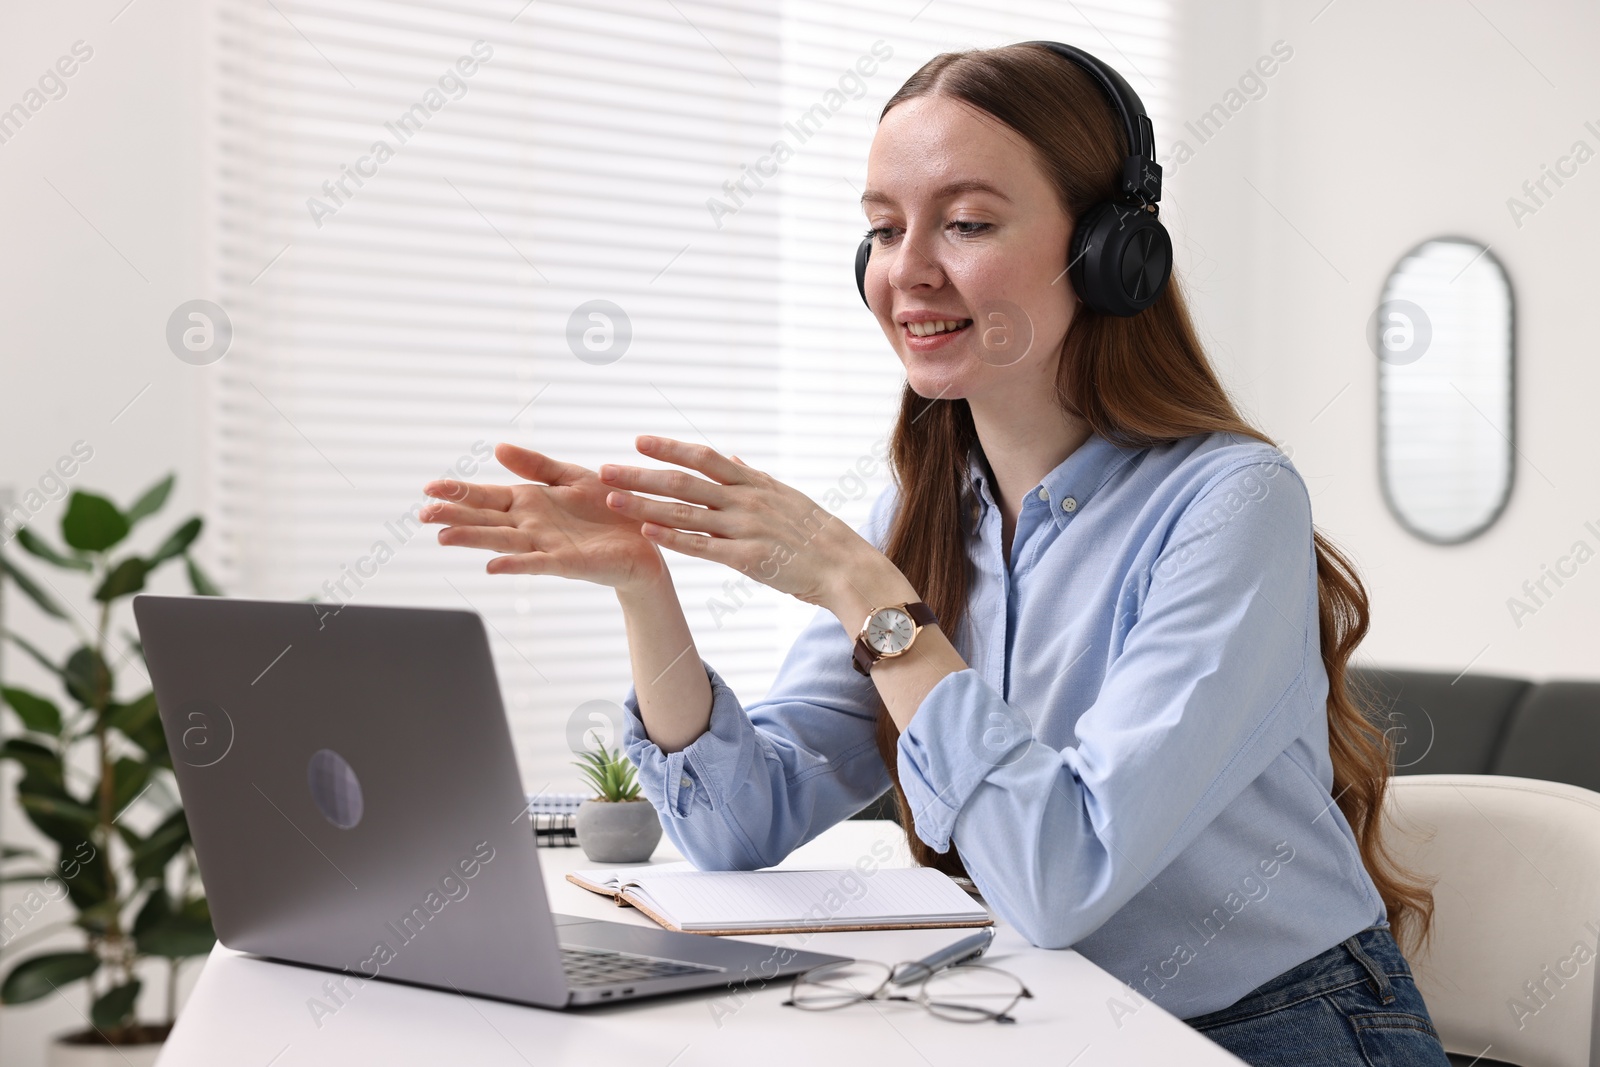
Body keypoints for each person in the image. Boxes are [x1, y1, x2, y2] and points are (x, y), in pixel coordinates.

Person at [421, 41, 1452, 1067]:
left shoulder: (1229, 503)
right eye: (880, 228)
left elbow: (1062, 877)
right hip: (1052, 1016)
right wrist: (643, 590)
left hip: (1275, 1030)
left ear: (1105, 252)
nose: (905, 269)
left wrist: (867, 597)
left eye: (964, 223)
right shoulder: (916, 518)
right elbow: (741, 826)